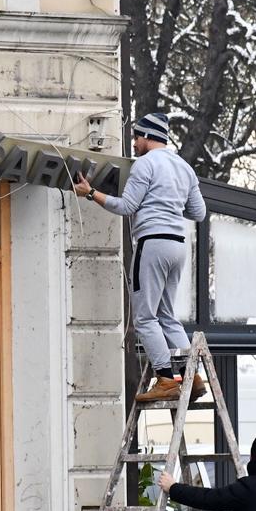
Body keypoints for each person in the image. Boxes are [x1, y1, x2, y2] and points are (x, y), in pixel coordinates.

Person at [73, 112, 207, 402]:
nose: (133, 143)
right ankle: (191, 375)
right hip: (177, 246)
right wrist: (169, 204)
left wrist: (90, 192)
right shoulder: (184, 168)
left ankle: (165, 379)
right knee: (168, 317)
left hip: (153, 243)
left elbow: (126, 206)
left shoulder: (145, 164)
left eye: (136, 137)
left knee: (145, 318)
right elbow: (198, 213)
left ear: (148, 136)